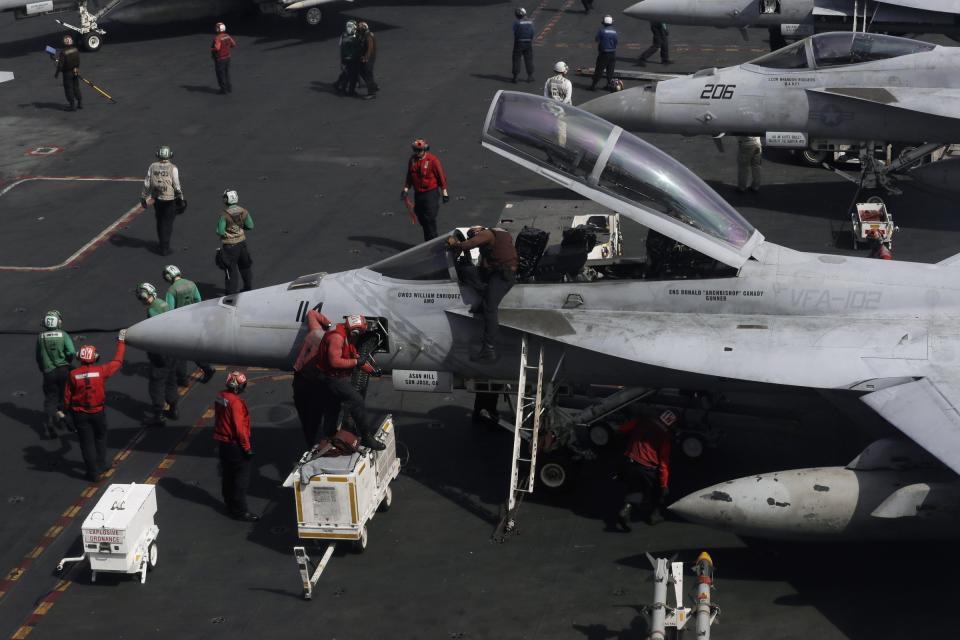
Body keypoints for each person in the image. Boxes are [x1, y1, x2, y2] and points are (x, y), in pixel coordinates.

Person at [446, 226, 519, 363]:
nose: (474, 237)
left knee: (489, 308)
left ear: (478, 232)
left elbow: (469, 245)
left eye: (473, 235)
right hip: (498, 271)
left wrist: (455, 244)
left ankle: (489, 350)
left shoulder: (487, 233)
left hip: (502, 275)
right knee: (468, 271)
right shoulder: (500, 233)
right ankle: (485, 295)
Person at [313, 315, 385, 451]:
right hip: (331, 377)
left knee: (332, 408)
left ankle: (329, 436)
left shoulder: (346, 335)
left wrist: (371, 371)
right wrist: (357, 362)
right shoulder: (337, 338)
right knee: (356, 401)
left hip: (328, 377)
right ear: (355, 331)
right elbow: (335, 362)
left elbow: (355, 356)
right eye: (361, 332)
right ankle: (367, 437)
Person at [64, 331, 126, 482]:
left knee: (86, 443)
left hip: (80, 414)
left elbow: (67, 396)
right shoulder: (101, 371)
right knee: (100, 437)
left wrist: (67, 413)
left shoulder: (73, 374)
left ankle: (92, 473)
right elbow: (117, 361)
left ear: (80, 358)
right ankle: (102, 464)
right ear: (95, 357)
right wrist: (121, 342)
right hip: (98, 412)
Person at [615, 409, 677, 530]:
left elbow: (622, 429)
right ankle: (655, 515)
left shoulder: (642, 420)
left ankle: (625, 510)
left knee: (635, 487)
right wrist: (664, 485)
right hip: (646, 467)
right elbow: (664, 463)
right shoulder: (665, 436)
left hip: (629, 461)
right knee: (659, 491)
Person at [214, 371, 259, 521]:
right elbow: (240, 428)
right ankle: (241, 511)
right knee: (241, 479)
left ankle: (230, 504)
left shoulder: (221, 396)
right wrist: (247, 448)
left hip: (223, 443)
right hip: (235, 446)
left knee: (227, 476)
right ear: (239, 387)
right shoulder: (236, 403)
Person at [162, 264, 216, 385]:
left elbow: (169, 310)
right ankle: (207, 368)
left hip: (180, 324)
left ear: (168, 276)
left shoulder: (171, 290)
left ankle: (182, 379)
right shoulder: (191, 283)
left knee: (180, 353)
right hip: (194, 321)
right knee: (194, 348)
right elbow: (198, 300)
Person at [136, 282, 179, 426]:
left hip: (159, 352)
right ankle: (174, 409)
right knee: (171, 379)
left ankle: (159, 415)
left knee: (157, 385)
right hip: (171, 348)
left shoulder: (152, 311)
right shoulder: (163, 303)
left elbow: (153, 331)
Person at [291, 309, 334, 447]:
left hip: (298, 380)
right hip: (313, 384)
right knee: (315, 417)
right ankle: (314, 443)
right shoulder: (329, 348)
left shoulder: (314, 332)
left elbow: (311, 313)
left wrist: (327, 322)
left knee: (304, 415)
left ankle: (310, 439)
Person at [36, 310, 76, 439]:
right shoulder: (63, 335)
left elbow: (38, 357)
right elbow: (71, 352)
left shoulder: (40, 337)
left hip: (48, 372)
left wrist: (43, 368)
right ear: (58, 322)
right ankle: (67, 419)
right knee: (66, 395)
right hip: (63, 370)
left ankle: (50, 423)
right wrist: (67, 363)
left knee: (50, 399)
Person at [140, 145, 186, 257]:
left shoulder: (152, 166)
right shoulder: (173, 168)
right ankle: (165, 247)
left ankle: (161, 244)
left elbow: (147, 183)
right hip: (170, 199)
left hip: (157, 199)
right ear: (169, 156)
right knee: (168, 222)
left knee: (160, 221)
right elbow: (176, 185)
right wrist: (181, 197)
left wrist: (143, 197)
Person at [402, 139, 450, 242]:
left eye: (419, 150)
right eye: (415, 150)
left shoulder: (433, 160)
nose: (417, 152)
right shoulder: (412, 160)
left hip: (430, 193)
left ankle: (434, 242)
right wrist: (405, 189)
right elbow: (409, 176)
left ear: (424, 150)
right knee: (421, 217)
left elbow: (441, 177)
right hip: (418, 194)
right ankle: (428, 242)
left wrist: (445, 193)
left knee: (430, 218)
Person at [217, 189, 254, 294]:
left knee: (231, 270)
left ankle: (230, 293)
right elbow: (250, 226)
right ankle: (248, 288)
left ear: (226, 200)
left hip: (230, 246)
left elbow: (220, 231)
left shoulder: (224, 214)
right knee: (245, 266)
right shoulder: (244, 211)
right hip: (242, 244)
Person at [590, 15, 618, 91]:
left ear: (603, 23)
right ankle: (609, 85)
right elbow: (616, 42)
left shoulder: (601, 31)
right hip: (612, 53)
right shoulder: (614, 32)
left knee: (599, 70)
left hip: (604, 54)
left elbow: (597, 39)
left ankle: (593, 86)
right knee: (610, 70)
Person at [54, 34, 81, 111]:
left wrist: (57, 73)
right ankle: (80, 102)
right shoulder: (75, 49)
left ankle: (72, 105)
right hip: (75, 71)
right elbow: (78, 61)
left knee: (68, 89)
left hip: (67, 73)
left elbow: (60, 65)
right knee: (76, 87)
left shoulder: (63, 52)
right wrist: (77, 69)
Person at [353, 21, 378, 100]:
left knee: (367, 73)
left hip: (369, 58)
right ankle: (373, 86)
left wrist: (366, 57)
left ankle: (372, 93)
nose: (358, 29)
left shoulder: (368, 36)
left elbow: (370, 48)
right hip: (364, 57)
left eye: (359, 27)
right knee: (361, 71)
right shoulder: (363, 35)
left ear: (364, 28)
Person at [211, 21, 237, 94]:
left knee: (220, 74)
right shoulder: (227, 36)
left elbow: (217, 48)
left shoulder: (218, 38)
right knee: (227, 73)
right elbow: (233, 44)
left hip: (220, 59)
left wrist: (212, 49)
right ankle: (229, 88)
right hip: (227, 57)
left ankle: (223, 90)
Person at [334, 20, 359, 94]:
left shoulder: (343, 35)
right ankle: (350, 91)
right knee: (352, 75)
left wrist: (341, 61)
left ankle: (342, 88)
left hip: (345, 58)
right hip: (352, 59)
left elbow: (341, 47)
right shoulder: (355, 36)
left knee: (346, 74)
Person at [512, 8, 535, 84]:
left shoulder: (516, 23)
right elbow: (532, 32)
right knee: (529, 59)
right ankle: (530, 76)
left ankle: (515, 77)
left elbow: (515, 32)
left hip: (518, 42)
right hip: (528, 42)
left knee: (516, 59)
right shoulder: (530, 22)